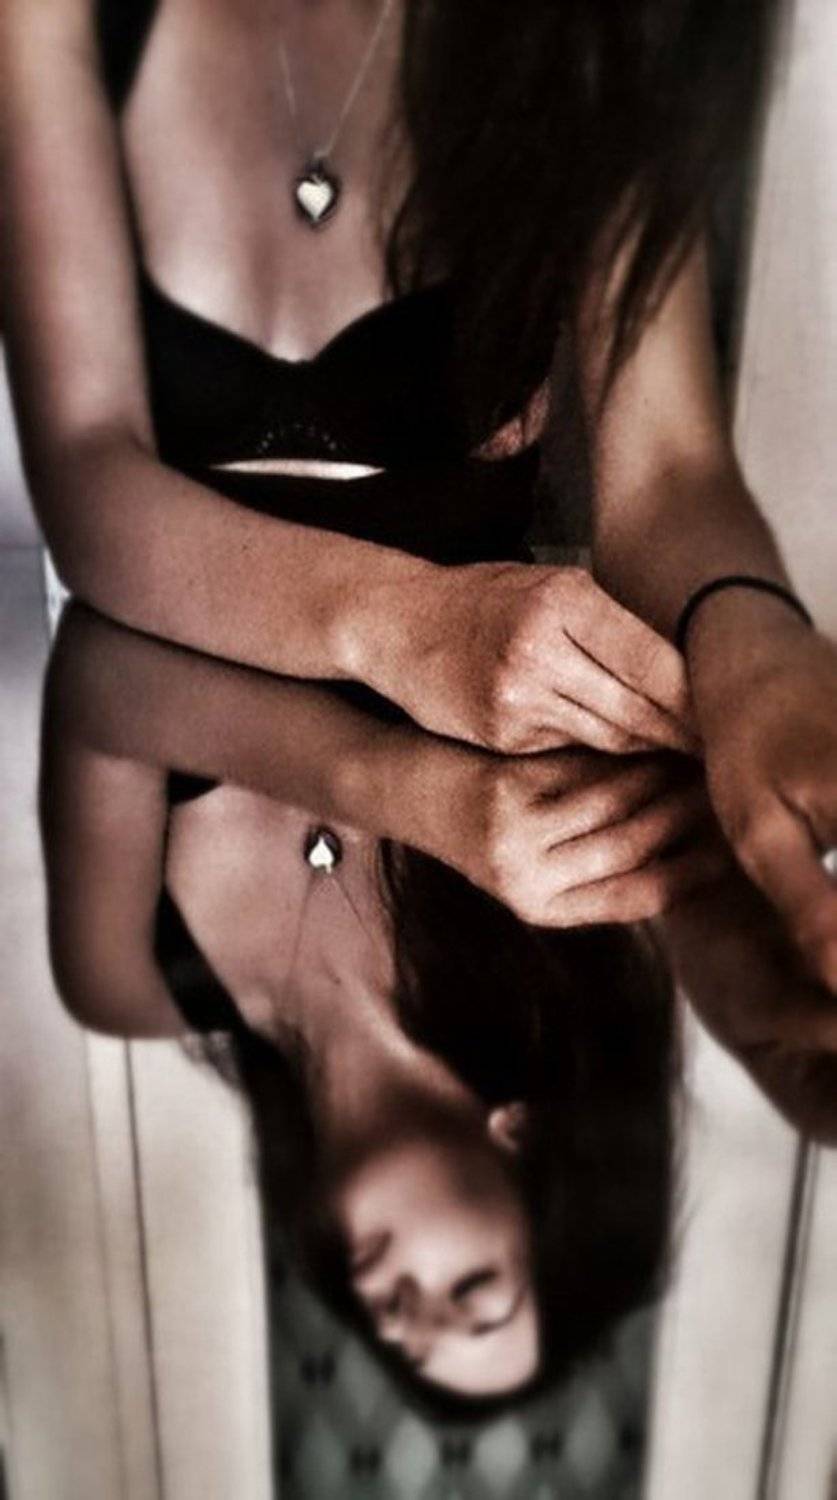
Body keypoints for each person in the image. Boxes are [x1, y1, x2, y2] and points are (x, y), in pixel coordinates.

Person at [2, 0, 837, 981]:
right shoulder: (52, 15)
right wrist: (410, 633)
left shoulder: (602, 36)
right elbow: (88, 472)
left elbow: (665, 474)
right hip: (146, 686)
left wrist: (759, 648)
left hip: (516, 775)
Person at [40, 603, 684, 1407]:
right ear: (534, 1151)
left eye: (405, 1343)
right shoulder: (531, 857)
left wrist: (377, 782)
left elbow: (98, 667)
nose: (406, 1319)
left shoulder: (122, 983)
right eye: (472, 1292)